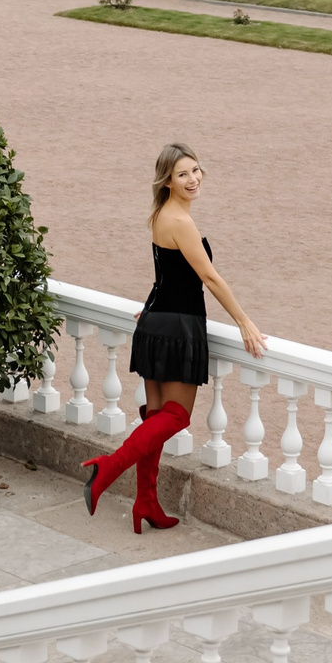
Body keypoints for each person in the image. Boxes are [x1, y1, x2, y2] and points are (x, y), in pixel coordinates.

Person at [83, 143, 267, 533]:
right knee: (176, 416)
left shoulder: (161, 215)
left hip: (155, 323)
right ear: (167, 180)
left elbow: (165, 275)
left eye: (196, 170)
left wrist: (151, 306)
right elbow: (209, 278)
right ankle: (108, 467)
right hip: (178, 328)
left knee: (155, 417)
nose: (193, 179)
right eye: (183, 174)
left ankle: (146, 502)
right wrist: (244, 322)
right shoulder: (181, 221)